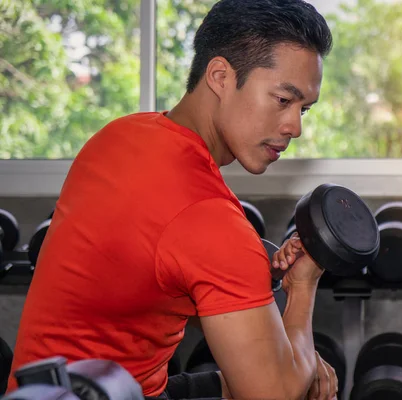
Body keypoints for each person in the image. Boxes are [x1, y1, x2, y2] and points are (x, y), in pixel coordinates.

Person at [7, 0, 338, 399]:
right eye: (284, 100)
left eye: (305, 109)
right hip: (105, 393)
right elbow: (274, 395)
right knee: (299, 387)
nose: (295, 127)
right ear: (219, 75)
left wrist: (257, 293)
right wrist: (302, 286)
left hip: (42, 390)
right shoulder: (207, 216)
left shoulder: (119, 136)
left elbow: (156, 283)